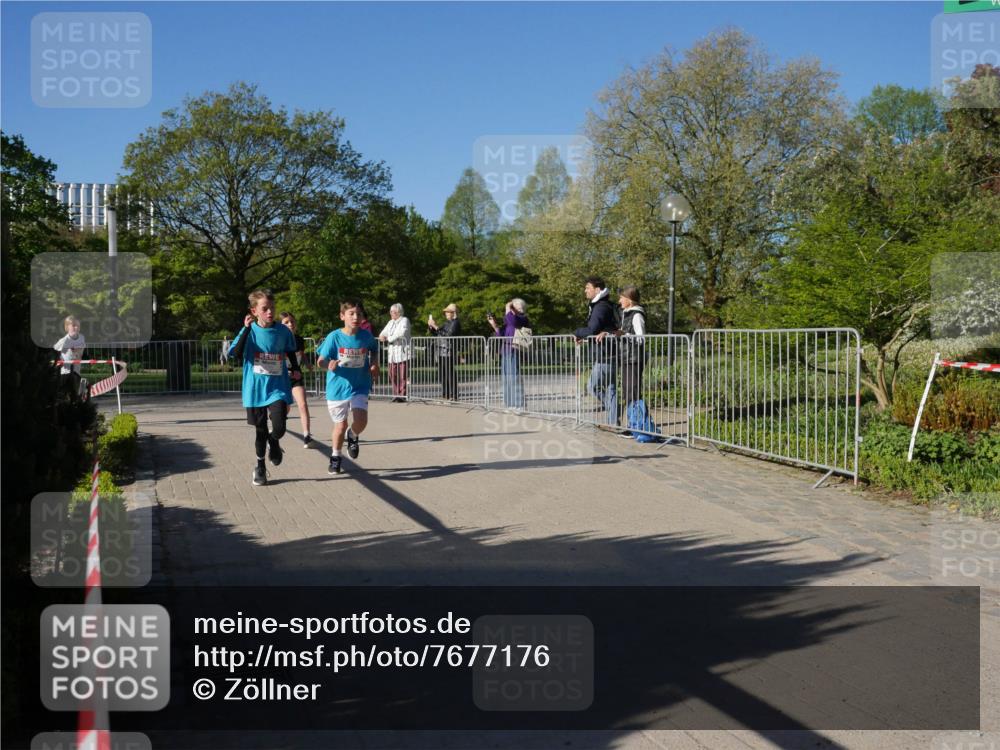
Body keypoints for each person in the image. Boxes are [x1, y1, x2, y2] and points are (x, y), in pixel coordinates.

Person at [228, 290, 302, 487]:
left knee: (279, 426)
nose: (270, 312)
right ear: (254, 311)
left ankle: (274, 440)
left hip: (277, 387)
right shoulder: (249, 330)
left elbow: (290, 350)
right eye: (265, 309)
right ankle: (260, 467)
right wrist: (246, 329)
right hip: (255, 388)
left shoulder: (283, 331)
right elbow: (235, 354)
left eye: (272, 308)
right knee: (260, 431)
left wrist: (295, 368)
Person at [316, 300, 380, 475]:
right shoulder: (334, 337)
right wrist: (328, 364)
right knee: (340, 425)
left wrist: (374, 363)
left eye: (359, 314)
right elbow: (320, 360)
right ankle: (335, 457)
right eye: (351, 313)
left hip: (360, 385)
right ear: (342, 316)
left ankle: (353, 435)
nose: (355, 317)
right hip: (337, 388)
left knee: (361, 420)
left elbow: (374, 349)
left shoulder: (366, 336)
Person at [598, 287, 646, 437]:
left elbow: (641, 338)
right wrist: (610, 333)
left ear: (629, 300)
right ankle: (634, 425)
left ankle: (636, 427)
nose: (619, 301)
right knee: (628, 392)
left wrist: (624, 334)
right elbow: (622, 332)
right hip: (626, 358)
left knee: (632, 392)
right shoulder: (626, 314)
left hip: (634, 358)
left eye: (621, 298)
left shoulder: (637, 315)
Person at [574, 276, 619, 427]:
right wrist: (585, 337)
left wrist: (576, 333)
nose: (585, 290)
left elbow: (592, 329)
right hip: (609, 352)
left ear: (597, 289)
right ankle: (614, 422)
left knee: (592, 387)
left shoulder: (600, 307)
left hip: (605, 354)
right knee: (611, 388)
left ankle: (615, 411)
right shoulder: (604, 305)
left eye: (588, 287)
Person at [488, 298, 530, 409]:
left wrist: (508, 308)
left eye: (513, 307)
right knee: (506, 378)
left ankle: (519, 405)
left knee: (514, 377)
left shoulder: (522, 318)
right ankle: (509, 404)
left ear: (519, 308)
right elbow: (501, 335)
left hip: (514, 349)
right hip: (505, 351)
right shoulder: (509, 320)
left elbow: (512, 321)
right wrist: (494, 325)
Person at [280, 312, 313, 447]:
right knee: (285, 407)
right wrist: (286, 370)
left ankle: (307, 435)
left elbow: (302, 354)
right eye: (286, 322)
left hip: (296, 376)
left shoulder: (299, 339)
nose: (290, 324)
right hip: (282, 377)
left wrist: (307, 363)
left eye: (292, 321)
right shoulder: (278, 340)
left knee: (303, 404)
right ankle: (279, 421)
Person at [428, 303, 461, 401]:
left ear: (454, 313)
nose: (446, 313)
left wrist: (435, 326)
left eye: (448, 312)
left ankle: (454, 395)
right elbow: (437, 333)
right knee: (442, 373)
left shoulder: (455, 323)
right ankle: (445, 394)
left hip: (449, 350)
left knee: (450, 373)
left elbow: (448, 335)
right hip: (441, 350)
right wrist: (431, 327)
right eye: (446, 312)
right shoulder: (447, 323)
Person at [378, 303, 411, 403]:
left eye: (393, 311)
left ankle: (402, 395)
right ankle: (395, 394)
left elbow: (402, 333)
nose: (391, 313)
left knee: (403, 375)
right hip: (392, 353)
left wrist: (389, 338)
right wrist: (382, 336)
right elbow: (383, 333)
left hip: (402, 351)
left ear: (398, 312)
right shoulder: (390, 322)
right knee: (392, 374)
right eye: (391, 311)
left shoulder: (404, 320)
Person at [54, 315, 86, 396]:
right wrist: (59, 360)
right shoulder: (64, 340)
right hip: (65, 372)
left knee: (74, 394)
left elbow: (81, 350)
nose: (76, 327)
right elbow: (54, 351)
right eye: (74, 325)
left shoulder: (82, 338)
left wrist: (77, 352)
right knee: (63, 394)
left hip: (76, 371)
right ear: (67, 327)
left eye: (78, 326)